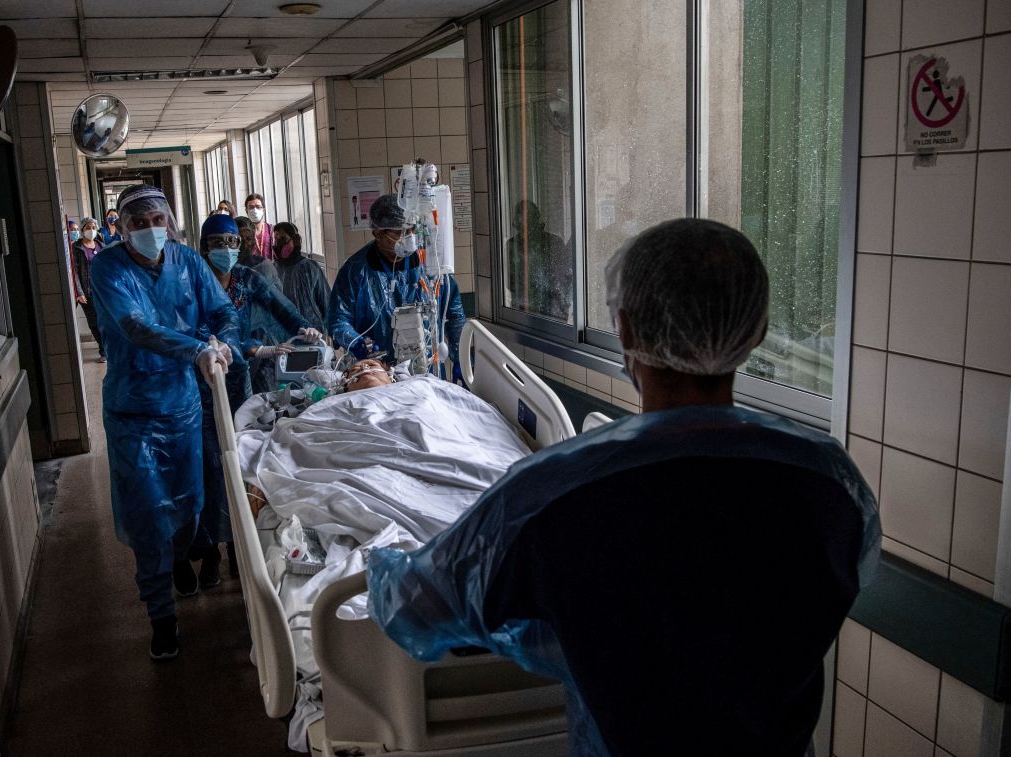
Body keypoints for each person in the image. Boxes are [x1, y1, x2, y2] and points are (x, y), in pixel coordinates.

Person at [366, 218, 881, 756]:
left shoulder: (553, 496)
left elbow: (415, 609)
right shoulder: (833, 485)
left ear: (627, 332)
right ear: (755, 330)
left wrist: (383, 560)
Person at [89, 184, 242, 661]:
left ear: (170, 223)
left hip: (183, 407)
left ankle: (180, 558)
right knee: (150, 514)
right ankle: (161, 618)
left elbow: (222, 310)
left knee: (190, 505)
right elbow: (134, 326)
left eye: (158, 221)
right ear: (122, 228)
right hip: (134, 411)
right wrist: (196, 348)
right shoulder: (108, 267)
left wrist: (225, 342)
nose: (151, 230)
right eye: (138, 223)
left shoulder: (188, 262)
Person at [194, 213, 321, 581]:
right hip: (202, 382)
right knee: (209, 468)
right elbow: (204, 333)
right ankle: (209, 552)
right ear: (204, 247)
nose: (227, 250)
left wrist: (304, 327)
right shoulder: (195, 284)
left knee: (242, 462)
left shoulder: (247, 280)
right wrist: (255, 349)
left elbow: (281, 305)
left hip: (239, 383)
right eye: (218, 243)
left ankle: (238, 546)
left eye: (233, 243)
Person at [326, 194, 465, 379]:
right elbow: (338, 319)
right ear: (377, 232)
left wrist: (460, 357)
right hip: (377, 373)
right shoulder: (356, 271)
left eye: (411, 230)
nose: (408, 237)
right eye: (399, 232)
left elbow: (453, 312)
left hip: (427, 373)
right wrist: (357, 343)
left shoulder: (430, 265)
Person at [252, 221, 330, 330]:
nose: (278, 243)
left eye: (283, 238)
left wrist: (333, 330)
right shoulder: (272, 269)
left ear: (295, 240)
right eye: (276, 239)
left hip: (312, 332)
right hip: (283, 333)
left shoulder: (310, 268)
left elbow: (326, 302)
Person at [505, 200, 572, 321]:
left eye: (528, 221)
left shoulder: (554, 242)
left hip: (552, 311)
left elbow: (563, 280)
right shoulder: (512, 245)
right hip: (524, 310)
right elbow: (511, 281)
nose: (526, 229)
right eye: (522, 222)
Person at [71, 216, 106, 362]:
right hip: (88, 292)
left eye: (93, 228)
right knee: (95, 321)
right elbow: (75, 272)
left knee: (106, 320)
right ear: (82, 229)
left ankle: (110, 348)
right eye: (87, 228)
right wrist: (79, 292)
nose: (91, 230)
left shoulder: (100, 245)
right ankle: (104, 351)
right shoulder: (77, 248)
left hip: (103, 290)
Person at [244, 193, 272, 259]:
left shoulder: (271, 230)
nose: (255, 210)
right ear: (246, 211)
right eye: (251, 207)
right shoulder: (243, 233)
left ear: (263, 210)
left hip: (270, 268)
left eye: (258, 207)